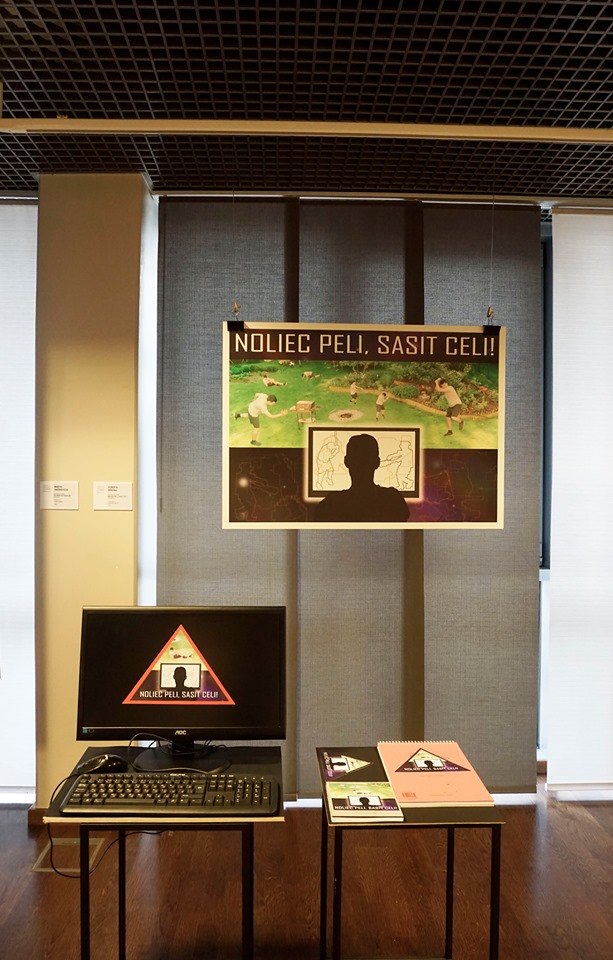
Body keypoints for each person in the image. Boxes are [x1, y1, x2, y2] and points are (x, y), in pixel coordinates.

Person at [314, 433, 409, 522]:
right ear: (377, 462)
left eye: (364, 460)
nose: (361, 465)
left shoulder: (332, 503)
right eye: (358, 459)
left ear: (346, 461)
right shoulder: (392, 499)